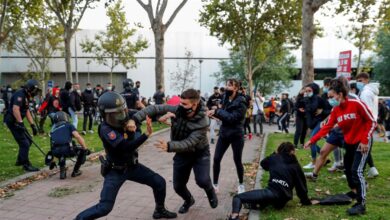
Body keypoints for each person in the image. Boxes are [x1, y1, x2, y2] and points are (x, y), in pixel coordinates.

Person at [76, 91, 176, 220]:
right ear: (105, 115)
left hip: (132, 166)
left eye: (122, 112)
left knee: (159, 182)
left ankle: (160, 210)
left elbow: (148, 112)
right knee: (104, 207)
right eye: (115, 114)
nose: (121, 117)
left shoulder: (127, 115)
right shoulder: (105, 128)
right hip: (115, 170)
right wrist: (146, 134)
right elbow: (126, 147)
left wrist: (159, 117)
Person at [133, 88, 218, 214]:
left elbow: (190, 142)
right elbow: (156, 108)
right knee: (178, 186)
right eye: (180, 102)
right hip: (182, 154)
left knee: (202, 180)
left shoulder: (203, 121)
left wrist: (169, 146)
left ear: (194, 105)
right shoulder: (178, 109)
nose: (180, 105)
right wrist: (135, 119)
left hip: (199, 153)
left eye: (184, 104)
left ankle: (210, 191)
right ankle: (189, 200)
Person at [304, 78, 376, 215]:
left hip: (362, 142)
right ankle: (355, 191)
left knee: (357, 171)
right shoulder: (336, 109)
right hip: (349, 142)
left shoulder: (356, 104)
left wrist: (365, 140)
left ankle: (361, 204)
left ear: (340, 94)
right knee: (348, 170)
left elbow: (371, 121)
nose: (329, 99)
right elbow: (327, 127)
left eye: (331, 97)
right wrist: (312, 140)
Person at [228, 142, 311, 220]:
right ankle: (259, 204)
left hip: (270, 193)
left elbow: (263, 164)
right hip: (282, 200)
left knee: (237, 197)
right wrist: (305, 200)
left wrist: (274, 154)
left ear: (279, 151)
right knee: (264, 201)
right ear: (292, 152)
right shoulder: (296, 165)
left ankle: (234, 217)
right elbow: (301, 185)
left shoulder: (274, 158)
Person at [206, 79, 247, 194]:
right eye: (226, 85)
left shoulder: (242, 102)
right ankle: (215, 185)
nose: (226, 87)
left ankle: (241, 184)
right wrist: (213, 113)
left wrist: (217, 111)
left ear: (236, 88)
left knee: (237, 160)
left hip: (236, 135)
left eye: (229, 85)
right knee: (216, 159)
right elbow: (224, 116)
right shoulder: (224, 98)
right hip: (224, 133)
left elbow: (232, 118)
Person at [4, 79, 40, 172]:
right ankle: (25, 164)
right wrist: (20, 122)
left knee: (29, 140)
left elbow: (26, 110)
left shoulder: (27, 96)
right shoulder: (20, 94)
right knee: (25, 143)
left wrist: (32, 125)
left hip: (17, 121)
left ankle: (20, 160)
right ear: (30, 88)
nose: (35, 92)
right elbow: (15, 109)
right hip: (12, 121)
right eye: (34, 90)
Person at [49, 111, 89, 179]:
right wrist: (85, 148)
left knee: (61, 149)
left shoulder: (52, 130)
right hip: (67, 150)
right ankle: (75, 171)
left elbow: (53, 145)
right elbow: (77, 137)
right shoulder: (69, 125)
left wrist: (53, 161)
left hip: (55, 152)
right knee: (81, 150)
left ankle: (62, 171)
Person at [356, 72, 379, 178]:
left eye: (360, 81)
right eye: (357, 81)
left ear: (366, 80)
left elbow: (366, 110)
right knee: (366, 146)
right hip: (371, 121)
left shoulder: (365, 93)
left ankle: (359, 171)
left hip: (366, 123)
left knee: (363, 146)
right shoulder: (371, 92)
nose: (358, 83)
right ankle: (372, 169)